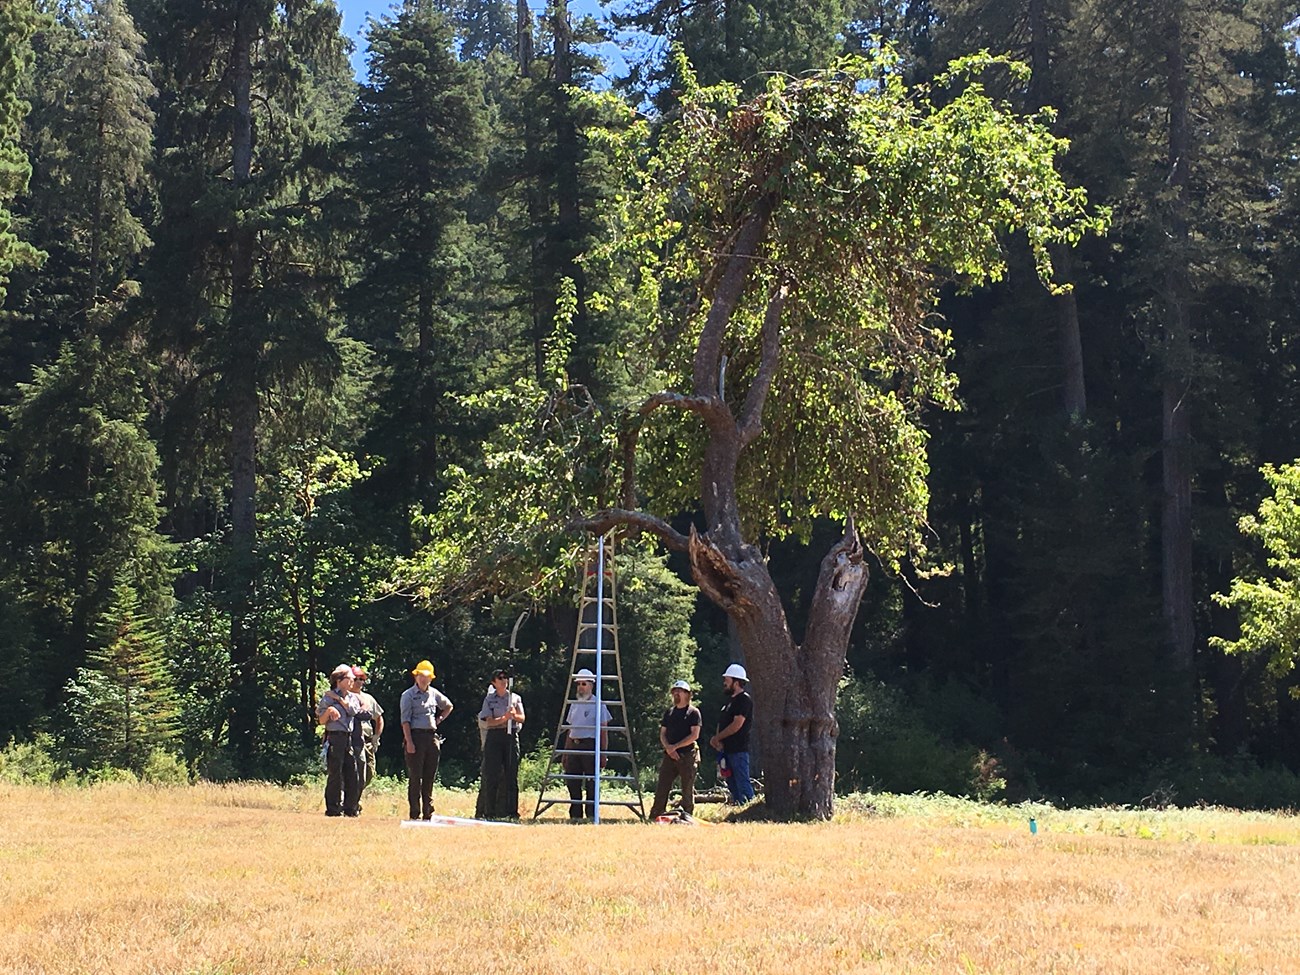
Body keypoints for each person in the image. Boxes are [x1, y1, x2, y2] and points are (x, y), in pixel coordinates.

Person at [400, 659, 453, 821]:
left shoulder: (434, 693)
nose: (424, 679)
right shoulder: (408, 695)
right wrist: (409, 741)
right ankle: (414, 812)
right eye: (421, 676)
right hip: (415, 736)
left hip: (432, 737)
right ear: (416, 677)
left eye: (427, 676)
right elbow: (405, 720)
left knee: (430, 776)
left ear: (431, 678)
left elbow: (448, 706)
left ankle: (428, 811)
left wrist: (439, 720)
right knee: (415, 776)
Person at [475, 667, 525, 820]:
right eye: (500, 678)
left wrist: (513, 715)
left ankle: (512, 811)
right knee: (492, 775)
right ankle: (489, 811)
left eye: (505, 678)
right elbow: (488, 721)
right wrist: (504, 718)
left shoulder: (515, 698)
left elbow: (522, 718)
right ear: (494, 682)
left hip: (510, 736)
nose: (503, 681)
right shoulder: (490, 699)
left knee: (511, 774)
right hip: (494, 737)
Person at [648, 679, 701, 820]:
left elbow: (694, 735)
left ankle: (687, 817)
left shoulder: (693, 713)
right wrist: (669, 749)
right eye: (674, 691)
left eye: (679, 691)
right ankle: (656, 815)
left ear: (687, 694)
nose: (676, 694)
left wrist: (675, 747)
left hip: (688, 755)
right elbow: (662, 733)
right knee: (662, 786)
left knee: (687, 789)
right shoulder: (669, 713)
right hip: (669, 756)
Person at [563, 668, 611, 820]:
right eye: (578, 684)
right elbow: (569, 729)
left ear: (591, 685)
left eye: (584, 684)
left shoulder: (599, 705)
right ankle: (575, 814)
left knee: (591, 781)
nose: (581, 687)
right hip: (574, 745)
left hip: (590, 745)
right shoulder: (574, 704)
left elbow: (604, 731)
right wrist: (566, 752)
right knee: (572, 781)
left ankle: (591, 814)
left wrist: (603, 753)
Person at [317, 663, 365, 817]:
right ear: (340, 680)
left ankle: (350, 808)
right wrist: (330, 710)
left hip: (348, 738)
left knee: (353, 773)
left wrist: (338, 699)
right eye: (350, 678)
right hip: (334, 738)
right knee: (335, 774)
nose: (353, 681)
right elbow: (321, 720)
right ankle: (333, 808)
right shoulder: (327, 697)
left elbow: (352, 711)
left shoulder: (352, 697)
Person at [709, 663, 755, 804]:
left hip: (738, 750)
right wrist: (718, 742)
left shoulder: (743, 700)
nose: (724, 683)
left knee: (742, 782)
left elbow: (737, 724)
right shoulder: (729, 702)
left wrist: (718, 737)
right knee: (732, 784)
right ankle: (737, 807)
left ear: (736, 682)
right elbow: (722, 722)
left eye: (727, 680)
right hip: (727, 750)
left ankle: (748, 808)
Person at [351, 665, 384, 807]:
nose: (359, 682)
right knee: (352, 773)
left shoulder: (368, 698)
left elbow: (379, 718)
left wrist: (377, 736)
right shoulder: (346, 697)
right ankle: (352, 803)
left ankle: (354, 799)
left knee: (369, 773)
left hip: (368, 741)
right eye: (356, 679)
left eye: (362, 679)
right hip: (352, 740)